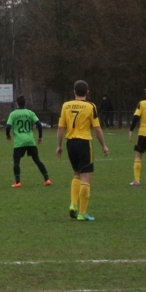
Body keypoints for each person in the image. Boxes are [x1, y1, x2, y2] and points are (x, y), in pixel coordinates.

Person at [56, 80, 109, 221]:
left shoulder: (66, 105)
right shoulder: (91, 106)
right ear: (87, 92)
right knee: (86, 177)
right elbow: (97, 128)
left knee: (77, 174)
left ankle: (73, 204)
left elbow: (61, 127)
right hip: (84, 143)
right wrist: (103, 145)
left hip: (70, 143)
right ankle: (82, 213)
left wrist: (59, 145)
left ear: (74, 92)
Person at [6, 95, 50, 187]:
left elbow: (8, 127)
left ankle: (18, 182)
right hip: (30, 141)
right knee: (37, 160)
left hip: (19, 142)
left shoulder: (13, 114)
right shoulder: (30, 113)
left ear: (17, 103)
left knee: (16, 161)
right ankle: (47, 179)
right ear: (25, 103)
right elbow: (39, 124)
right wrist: (40, 137)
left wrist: (8, 135)